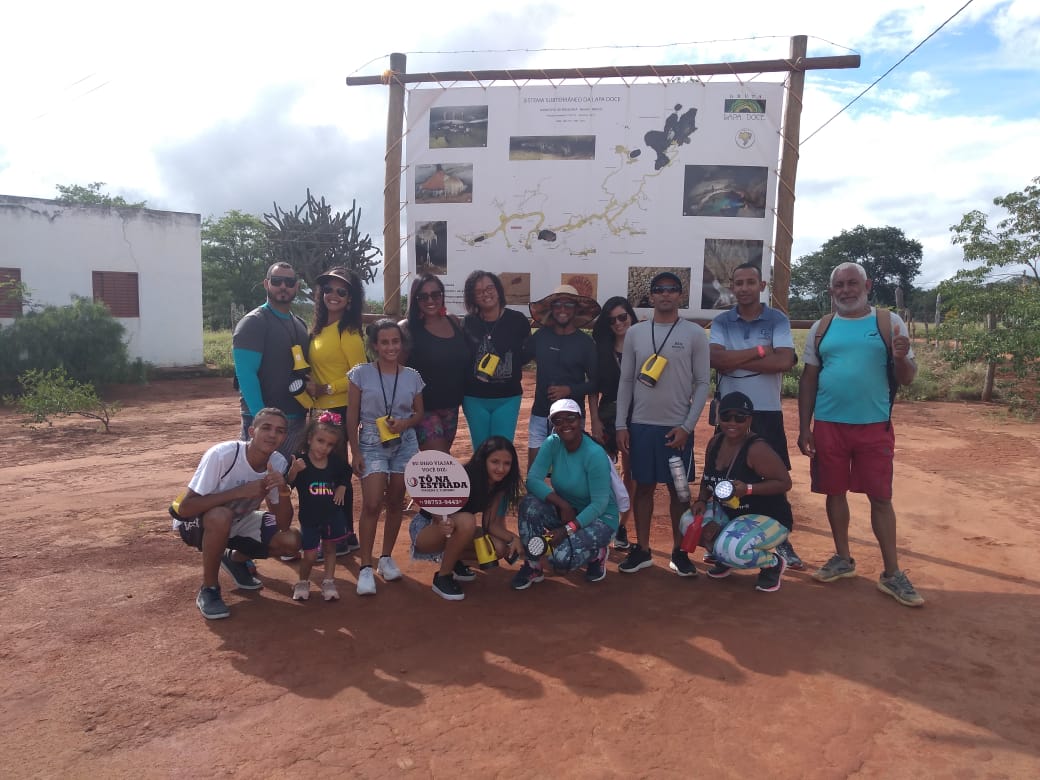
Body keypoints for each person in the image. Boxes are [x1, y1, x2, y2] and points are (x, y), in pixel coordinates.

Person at [798, 261, 924, 607]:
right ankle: (843, 558)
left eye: (853, 283)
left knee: (880, 498)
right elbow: (809, 378)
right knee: (833, 492)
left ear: (867, 285)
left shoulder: (888, 323)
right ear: (830, 291)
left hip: (874, 425)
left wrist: (901, 358)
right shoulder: (822, 328)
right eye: (839, 285)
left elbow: (908, 377)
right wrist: (803, 427)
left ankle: (892, 572)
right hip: (828, 425)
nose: (846, 290)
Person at [615, 271, 710, 577]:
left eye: (672, 290)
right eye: (659, 290)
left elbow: (701, 383)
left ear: (680, 296)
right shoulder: (636, 334)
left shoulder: (694, 334)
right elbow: (626, 380)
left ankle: (679, 552)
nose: (665, 295)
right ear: (651, 296)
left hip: (676, 431)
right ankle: (642, 550)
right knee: (642, 488)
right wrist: (621, 424)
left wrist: (687, 427)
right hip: (642, 426)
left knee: (680, 492)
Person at [709, 262, 803, 569]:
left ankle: (780, 540)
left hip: (766, 411)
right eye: (739, 283)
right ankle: (723, 537)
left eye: (751, 282)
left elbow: (785, 361)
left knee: (773, 477)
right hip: (730, 415)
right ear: (732, 287)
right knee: (724, 475)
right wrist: (761, 352)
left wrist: (734, 361)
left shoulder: (777, 319)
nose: (745, 288)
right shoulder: (723, 320)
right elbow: (717, 360)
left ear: (762, 286)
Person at [176, 407, 302, 620]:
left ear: (284, 437)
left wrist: (283, 490)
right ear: (252, 431)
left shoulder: (278, 463)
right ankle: (209, 589)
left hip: (240, 520)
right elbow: (184, 508)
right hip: (196, 523)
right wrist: (240, 492)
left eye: (280, 431)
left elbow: (282, 524)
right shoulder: (223, 455)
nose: (272, 434)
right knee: (220, 516)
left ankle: (234, 559)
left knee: (291, 540)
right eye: (266, 428)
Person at [347, 319, 425, 596]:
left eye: (395, 341)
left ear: (401, 344)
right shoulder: (360, 374)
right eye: (384, 342)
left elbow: (419, 413)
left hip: (404, 441)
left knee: (395, 501)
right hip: (371, 440)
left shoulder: (412, 376)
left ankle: (386, 558)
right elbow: (352, 415)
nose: (391, 347)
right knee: (371, 503)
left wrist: (405, 424)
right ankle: (365, 567)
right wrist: (355, 450)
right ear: (374, 346)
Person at [691, 392, 793, 592]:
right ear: (718, 418)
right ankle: (724, 557)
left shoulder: (757, 449)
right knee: (689, 523)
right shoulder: (715, 443)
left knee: (732, 548)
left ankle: (772, 563)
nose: (732, 422)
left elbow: (784, 483)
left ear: (750, 420)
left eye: (740, 418)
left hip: (769, 518)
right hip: (733, 514)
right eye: (726, 416)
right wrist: (702, 500)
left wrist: (748, 489)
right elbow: (707, 478)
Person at [512, 399, 619, 589]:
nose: (565, 424)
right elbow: (533, 480)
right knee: (529, 504)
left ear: (580, 420)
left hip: (600, 518)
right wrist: (563, 504)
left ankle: (597, 552)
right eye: (558, 421)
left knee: (559, 560)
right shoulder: (552, 443)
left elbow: (599, 504)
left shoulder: (594, 453)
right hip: (568, 511)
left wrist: (566, 530)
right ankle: (533, 565)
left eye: (571, 418)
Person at [410, 436, 524, 601]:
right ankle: (443, 577)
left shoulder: (499, 486)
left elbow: (490, 525)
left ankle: (453, 559)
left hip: (455, 529)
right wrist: (440, 521)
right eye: (495, 462)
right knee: (467, 520)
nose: (501, 468)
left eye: (507, 463)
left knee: (498, 548)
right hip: (427, 529)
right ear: (484, 460)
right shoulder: (464, 476)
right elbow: (433, 500)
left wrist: (514, 539)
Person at [305, 267, 366, 553]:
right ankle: (337, 532)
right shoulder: (318, 329)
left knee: (337, 472)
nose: (333, 295)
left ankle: (343, 534)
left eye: (342, 291)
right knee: (323, 472)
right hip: (318, 411)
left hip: (339, 409)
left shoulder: (349, 332)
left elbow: (359, 374)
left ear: (351, 299)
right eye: (328, 289)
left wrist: (326, 388)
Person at [232, 262, 310, 459]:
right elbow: (246, 374)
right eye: (277, 281)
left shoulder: (300, 324)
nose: (283, 286)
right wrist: (263, 421)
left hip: (295, 420)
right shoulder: (254, 322)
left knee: (286, 481)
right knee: (255, 480)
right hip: (264, 424)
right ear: (266, 284)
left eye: (289, 282)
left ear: (297, 287)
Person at [524, 284, 600, 469]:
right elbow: (519, 357)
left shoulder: (585, 343)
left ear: (576, 310)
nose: (562, 310)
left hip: (571, 419)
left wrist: (569, 390)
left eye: (568, 305)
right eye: (558, 305)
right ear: (552, 309)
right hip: (541, 414)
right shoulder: (540, 337)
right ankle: (535, 499)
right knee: (535, 472)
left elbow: (596, 383)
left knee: (570, 471)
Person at [399, 273, 472, 453]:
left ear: (442, 295)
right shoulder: (406, 328)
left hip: (452, 406)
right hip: (422, 410)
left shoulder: (453, 321)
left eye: (435, 294)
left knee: (437, 466)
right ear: (415, 300)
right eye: (423, 296)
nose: (430, 300)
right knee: (437, 458)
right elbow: (395, 371)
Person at [285, 412, 353, 602]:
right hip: (309, 518)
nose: (324, 448)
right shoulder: (301, 462)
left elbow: (347, 472)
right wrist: (293, 471)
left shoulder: (335, 463)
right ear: (310, 439)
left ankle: (329, 581)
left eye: (330, 444)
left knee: (331, 549)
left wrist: (342, 486)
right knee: (310, 555)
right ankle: (303, 581)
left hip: (332, 516)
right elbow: (288, 484)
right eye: (320, 441)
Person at [460, 271, 532, 450]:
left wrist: (509, 367)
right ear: (473, 298)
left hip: (508, 396)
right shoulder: (468, 323)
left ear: (498, 290)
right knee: (481, 450)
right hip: (474, 398)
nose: (486, 293)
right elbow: (462, 357)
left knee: (502, 450)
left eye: (489, 287)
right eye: (478, 291)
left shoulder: (518, 320)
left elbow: (527, 352)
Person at [590, 295, 639, 550]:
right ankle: (601, 524)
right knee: (602, 473)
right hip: (607, 415)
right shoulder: (600, 348)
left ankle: (621, 527)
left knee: (630, 474)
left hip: (637, 416)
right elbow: (593, 389)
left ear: (631, 316)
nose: (618, 323)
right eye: (612, 320)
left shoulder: (644, 343)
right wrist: (594, 420)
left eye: (622, 317)